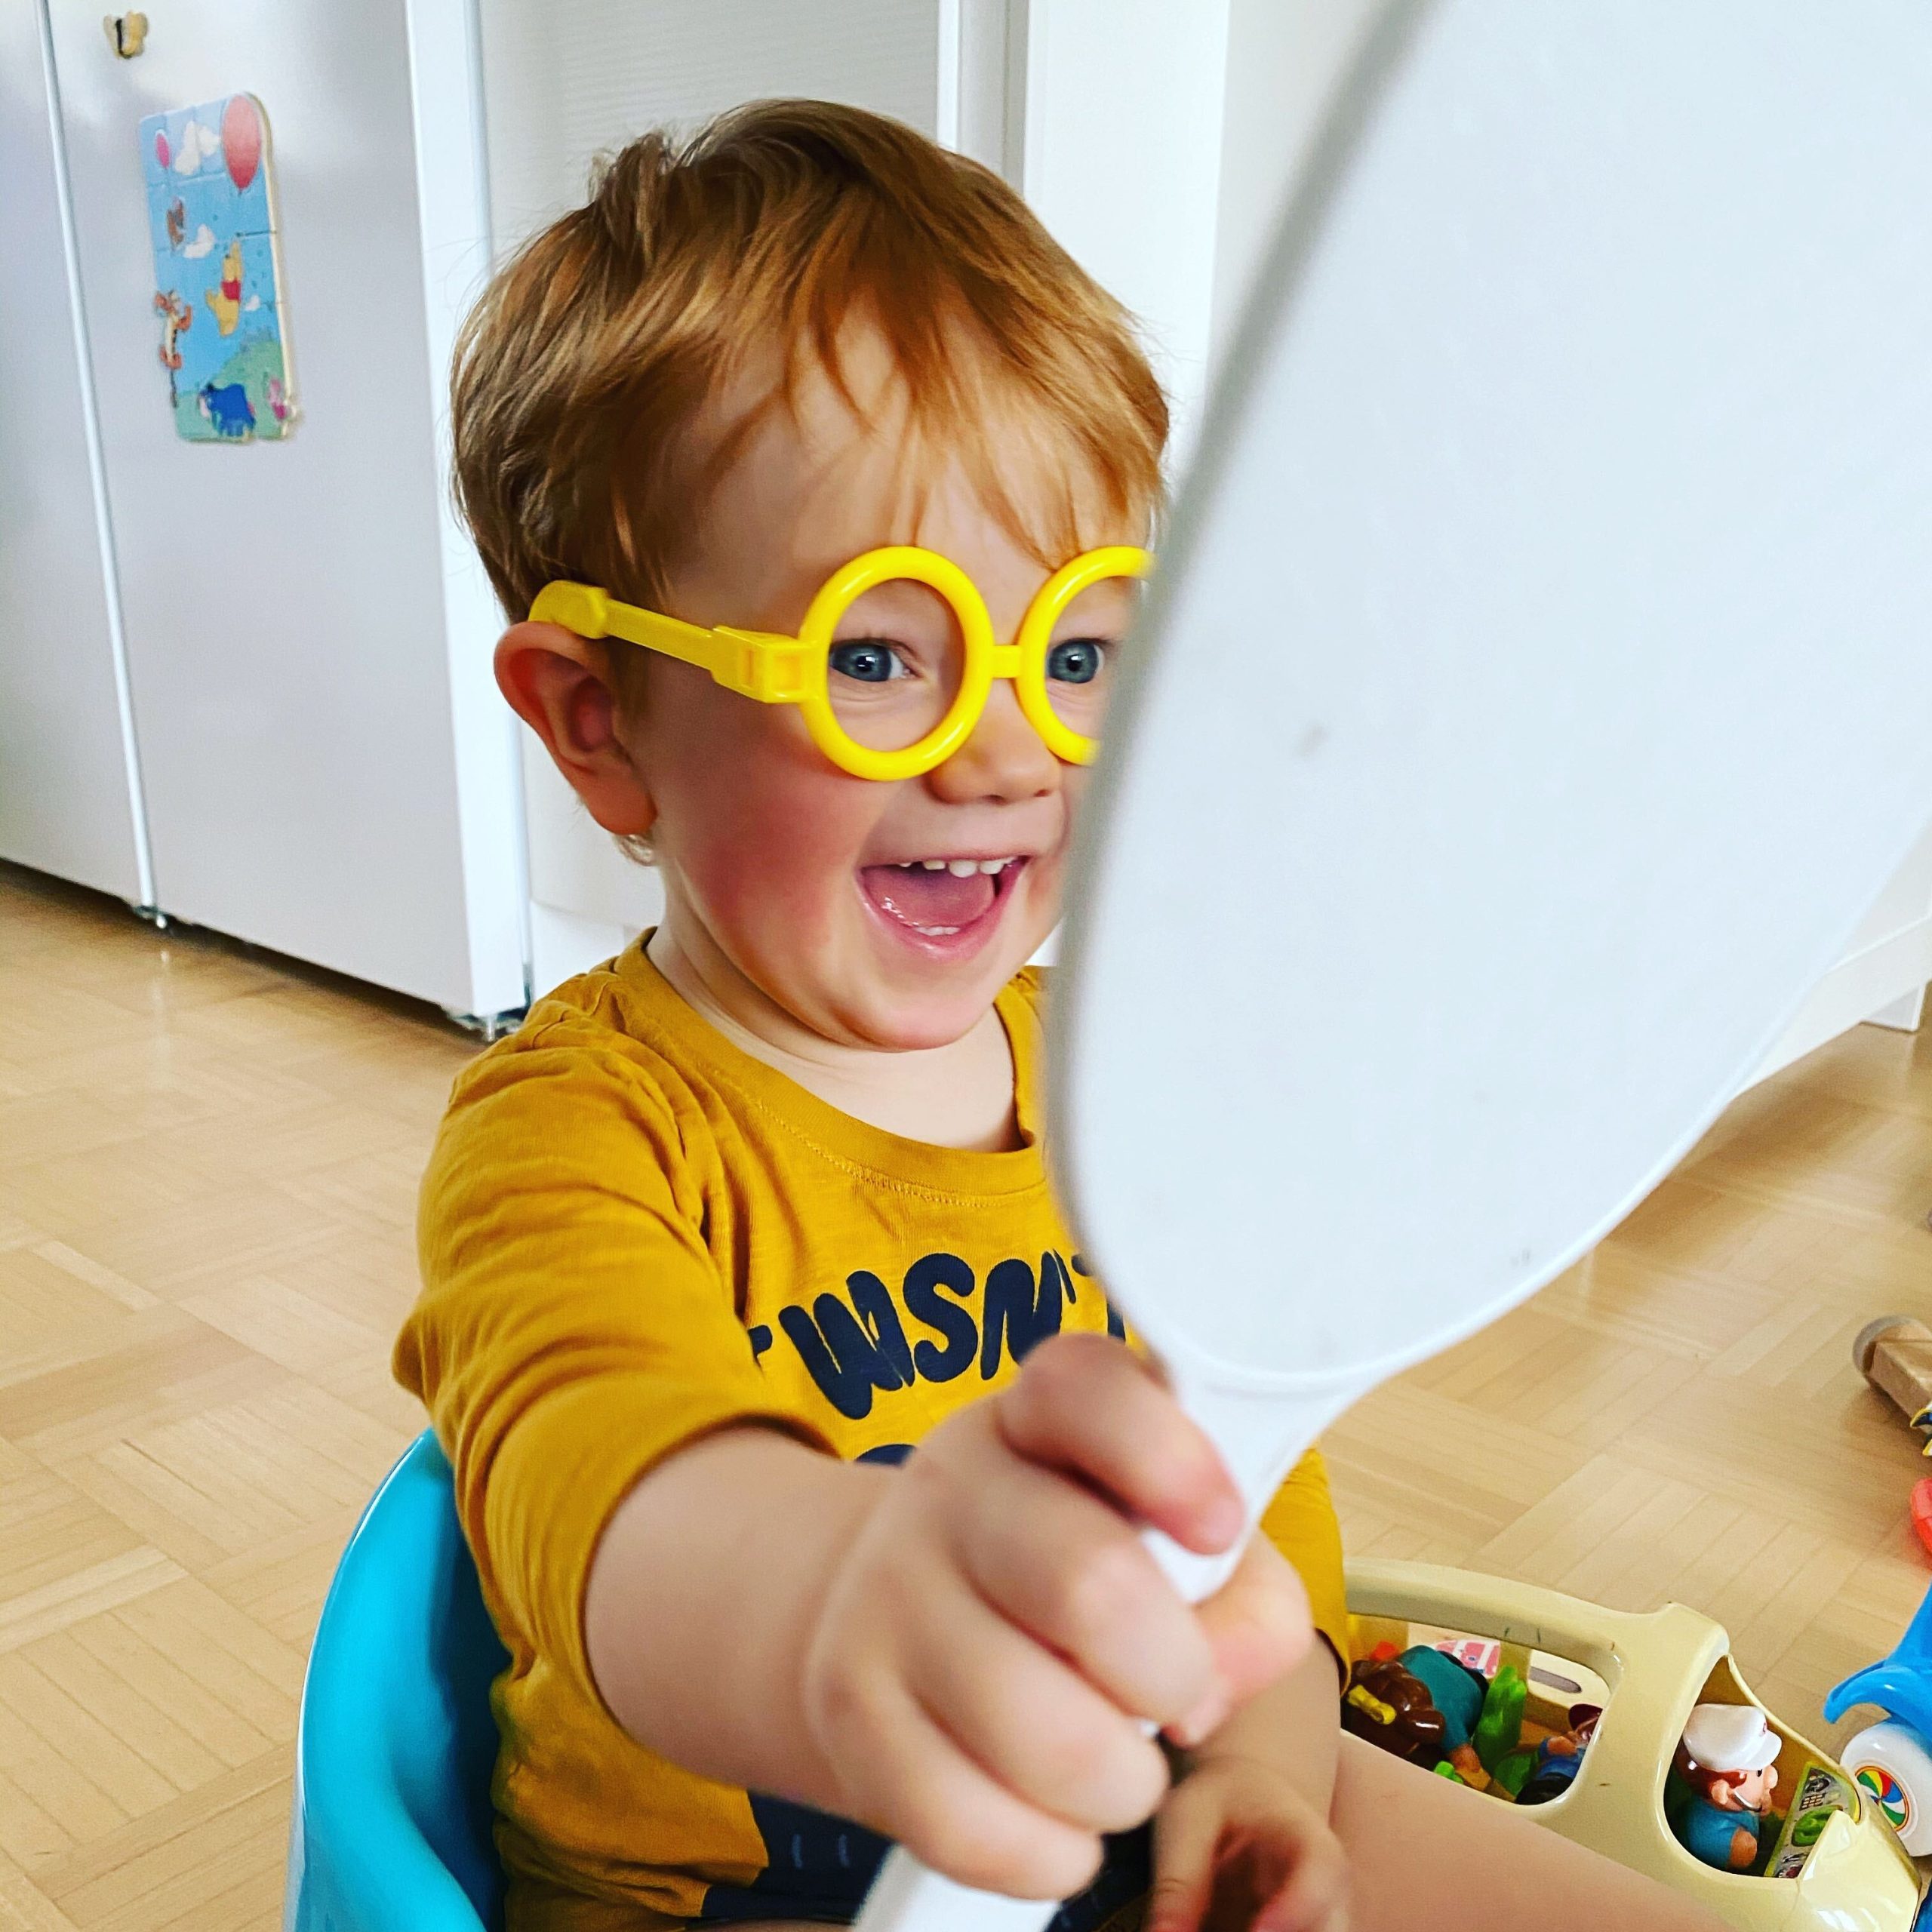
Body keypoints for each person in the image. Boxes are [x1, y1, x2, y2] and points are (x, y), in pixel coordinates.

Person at [396, 100, 1726, 1932]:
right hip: (733, 1889)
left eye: (1078, 651)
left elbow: (1237, 1514)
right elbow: (598, 1488)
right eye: (877, 652)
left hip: (1135, 1797)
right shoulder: (571, 1132)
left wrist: (1260, 1773)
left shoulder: (1130, 1088)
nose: (1006, 748)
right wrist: (836, 1601)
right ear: (597, 716)